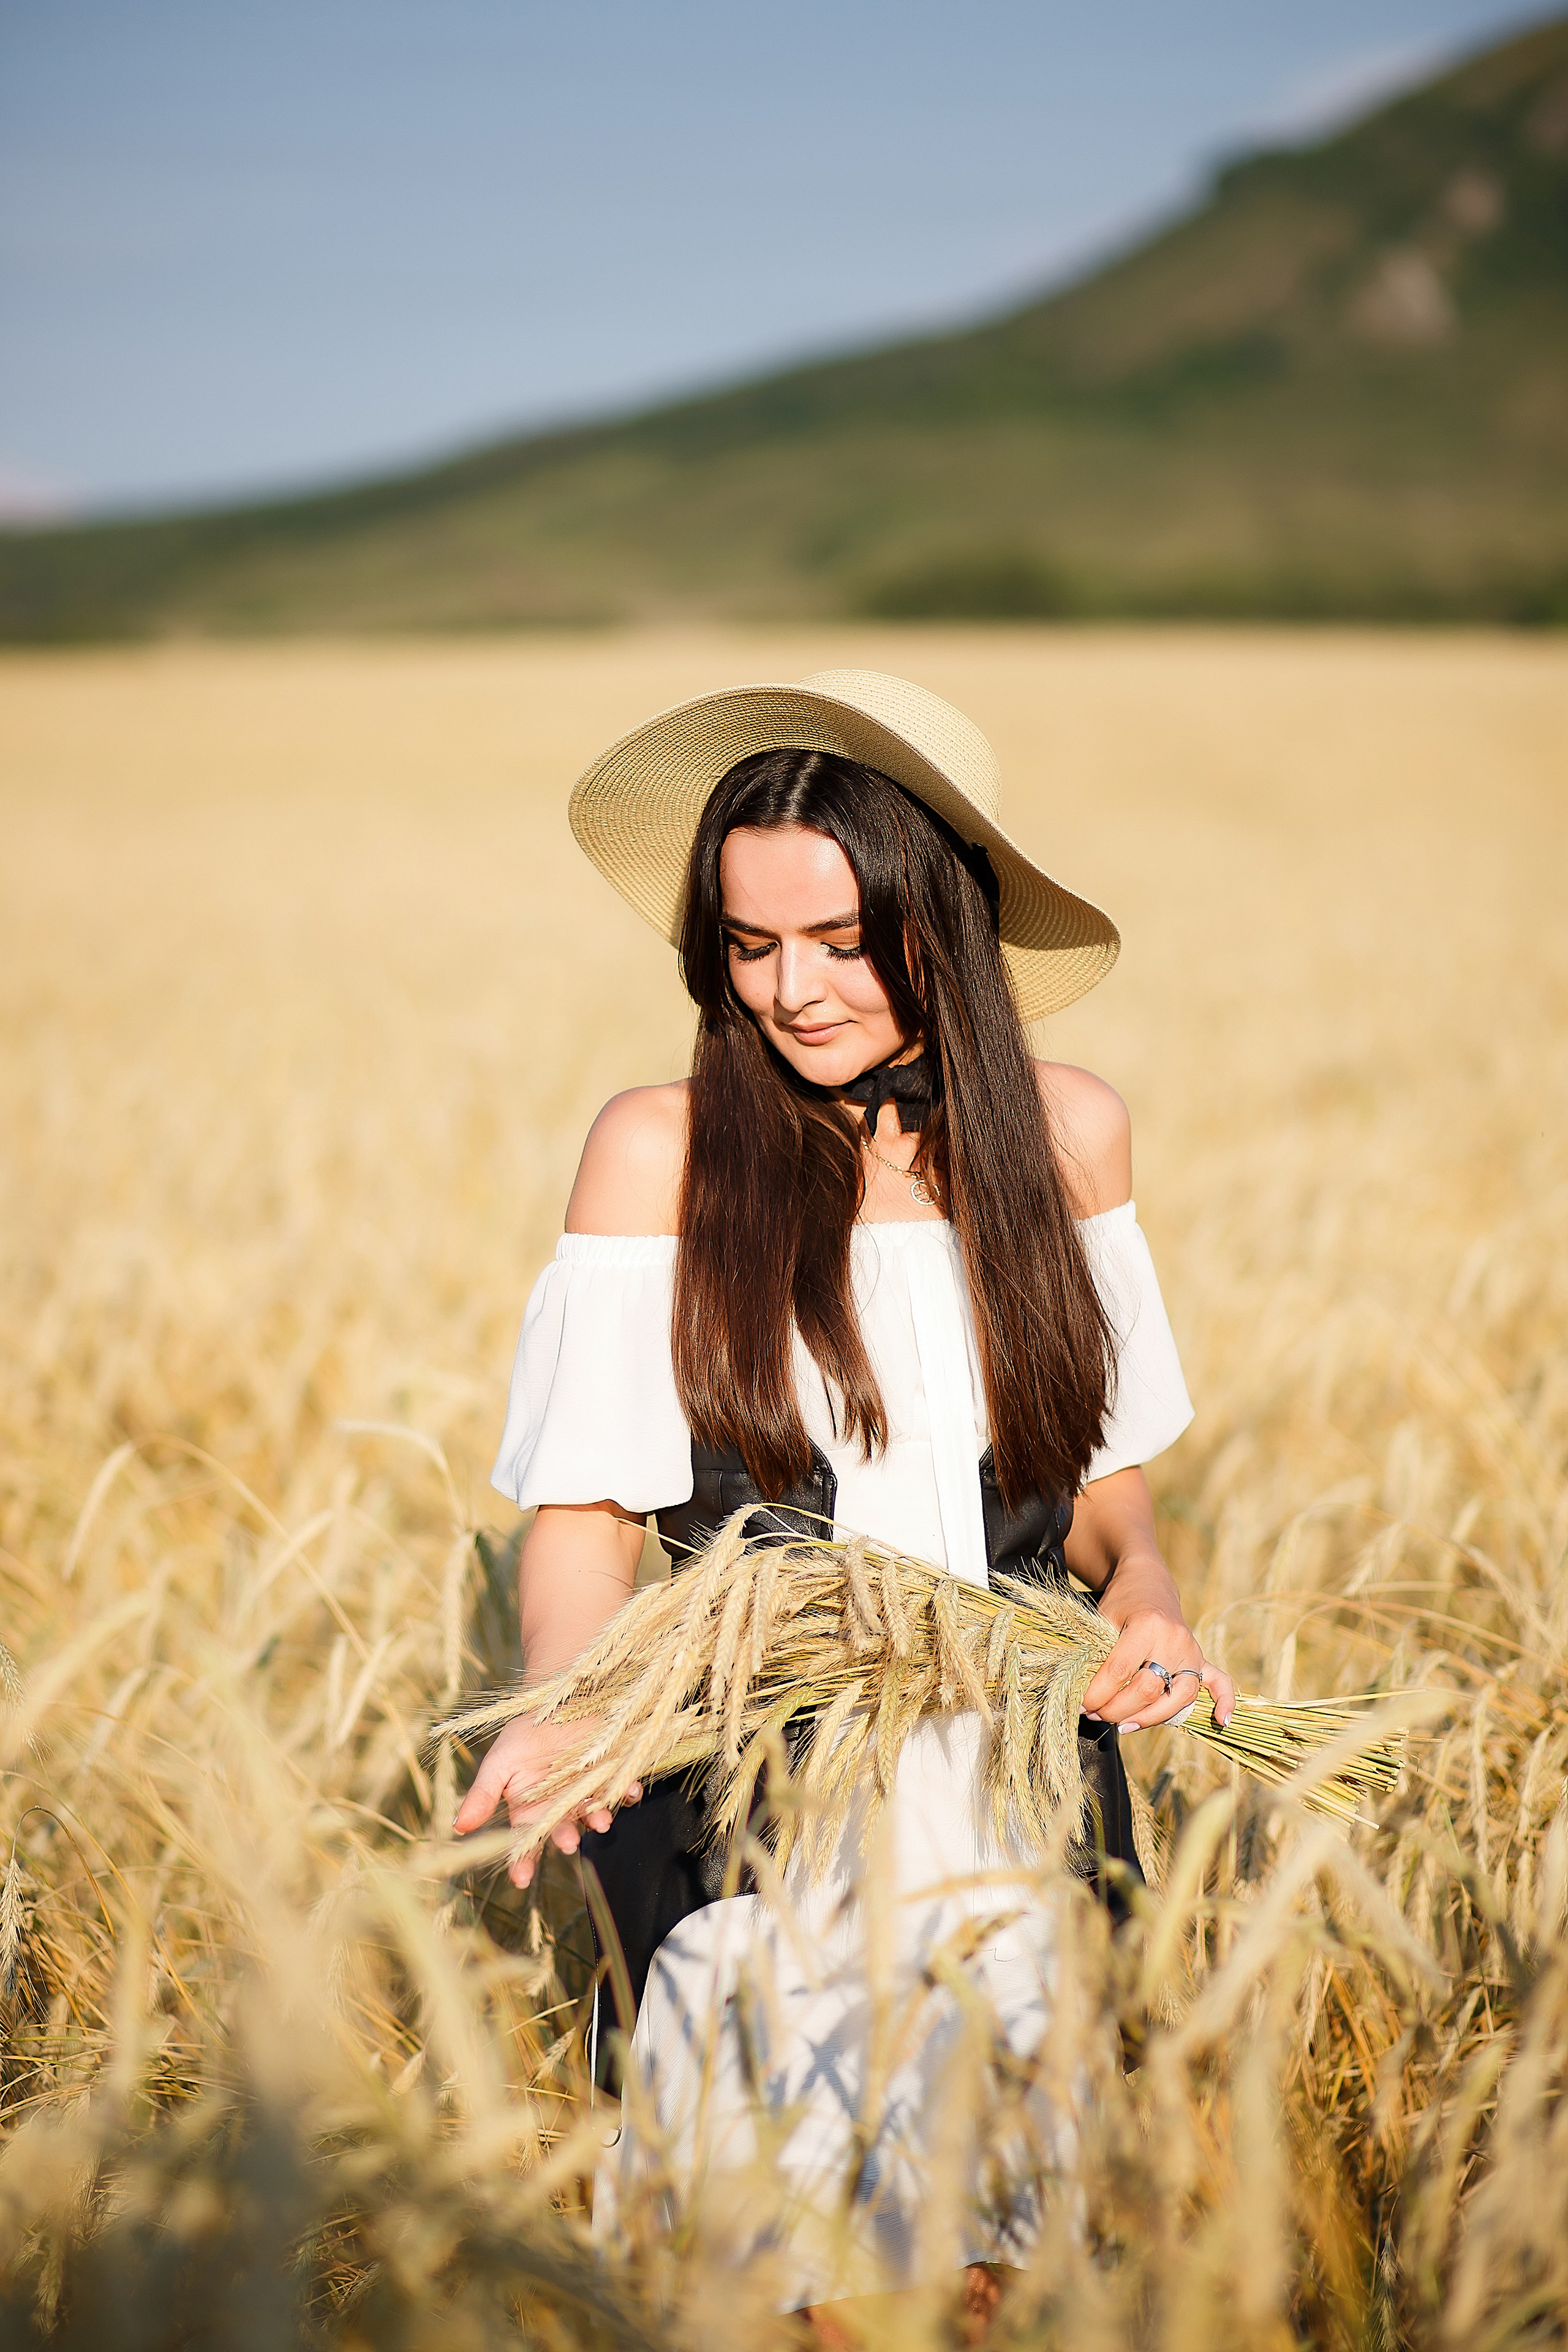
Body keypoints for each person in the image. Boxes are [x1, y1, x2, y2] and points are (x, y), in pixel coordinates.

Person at [455, 669, 1234, 2314]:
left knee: (1003, 2289)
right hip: (754, 1807)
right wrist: (567, 1702)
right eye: (752, 947)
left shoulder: (1071, 1137)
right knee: (791, 2295)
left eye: (841, 941)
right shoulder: (660, 1152)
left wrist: (1151, 1596)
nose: (793, 993)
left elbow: (1104, 1483)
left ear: (941, 919)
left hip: (1018, 1787)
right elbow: (588, 1514)